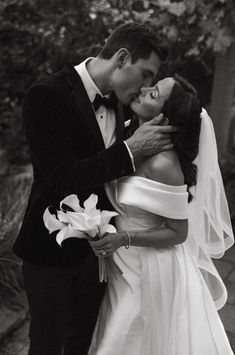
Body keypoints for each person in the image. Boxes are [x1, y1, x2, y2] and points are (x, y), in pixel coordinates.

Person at [12, 22, 178, 355]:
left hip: (98, 257)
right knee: (46, 345)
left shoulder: (120, 102)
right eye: (145, 74)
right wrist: (130, 150)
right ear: (121, 57)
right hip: (50, 250)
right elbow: (61, 179)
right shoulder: (47, 94)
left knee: (80, 343)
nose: (147, 85)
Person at [88, 75, 235, 354]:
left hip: (149, 270)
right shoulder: (128, 133)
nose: (143, 90)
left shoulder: (163, 164)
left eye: (153, 94)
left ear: (164, 121)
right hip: (122, 263)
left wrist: (123, 238)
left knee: (125, 339)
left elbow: (179, 232)